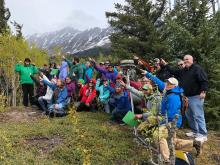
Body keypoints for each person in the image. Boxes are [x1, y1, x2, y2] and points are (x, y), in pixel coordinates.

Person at [139, 69, 202, 163]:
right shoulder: (167, 90)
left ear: (174, 86)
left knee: (159, 135)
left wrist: (160, 123)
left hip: (172, 121)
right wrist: (148, 74)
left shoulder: (173, 97)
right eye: (167, 82)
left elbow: (171, 115)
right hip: (165, 117)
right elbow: (159, 82)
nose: (167, 84)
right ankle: (194, 143)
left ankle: (167, 160)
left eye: (170, 83)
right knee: (171, 141)